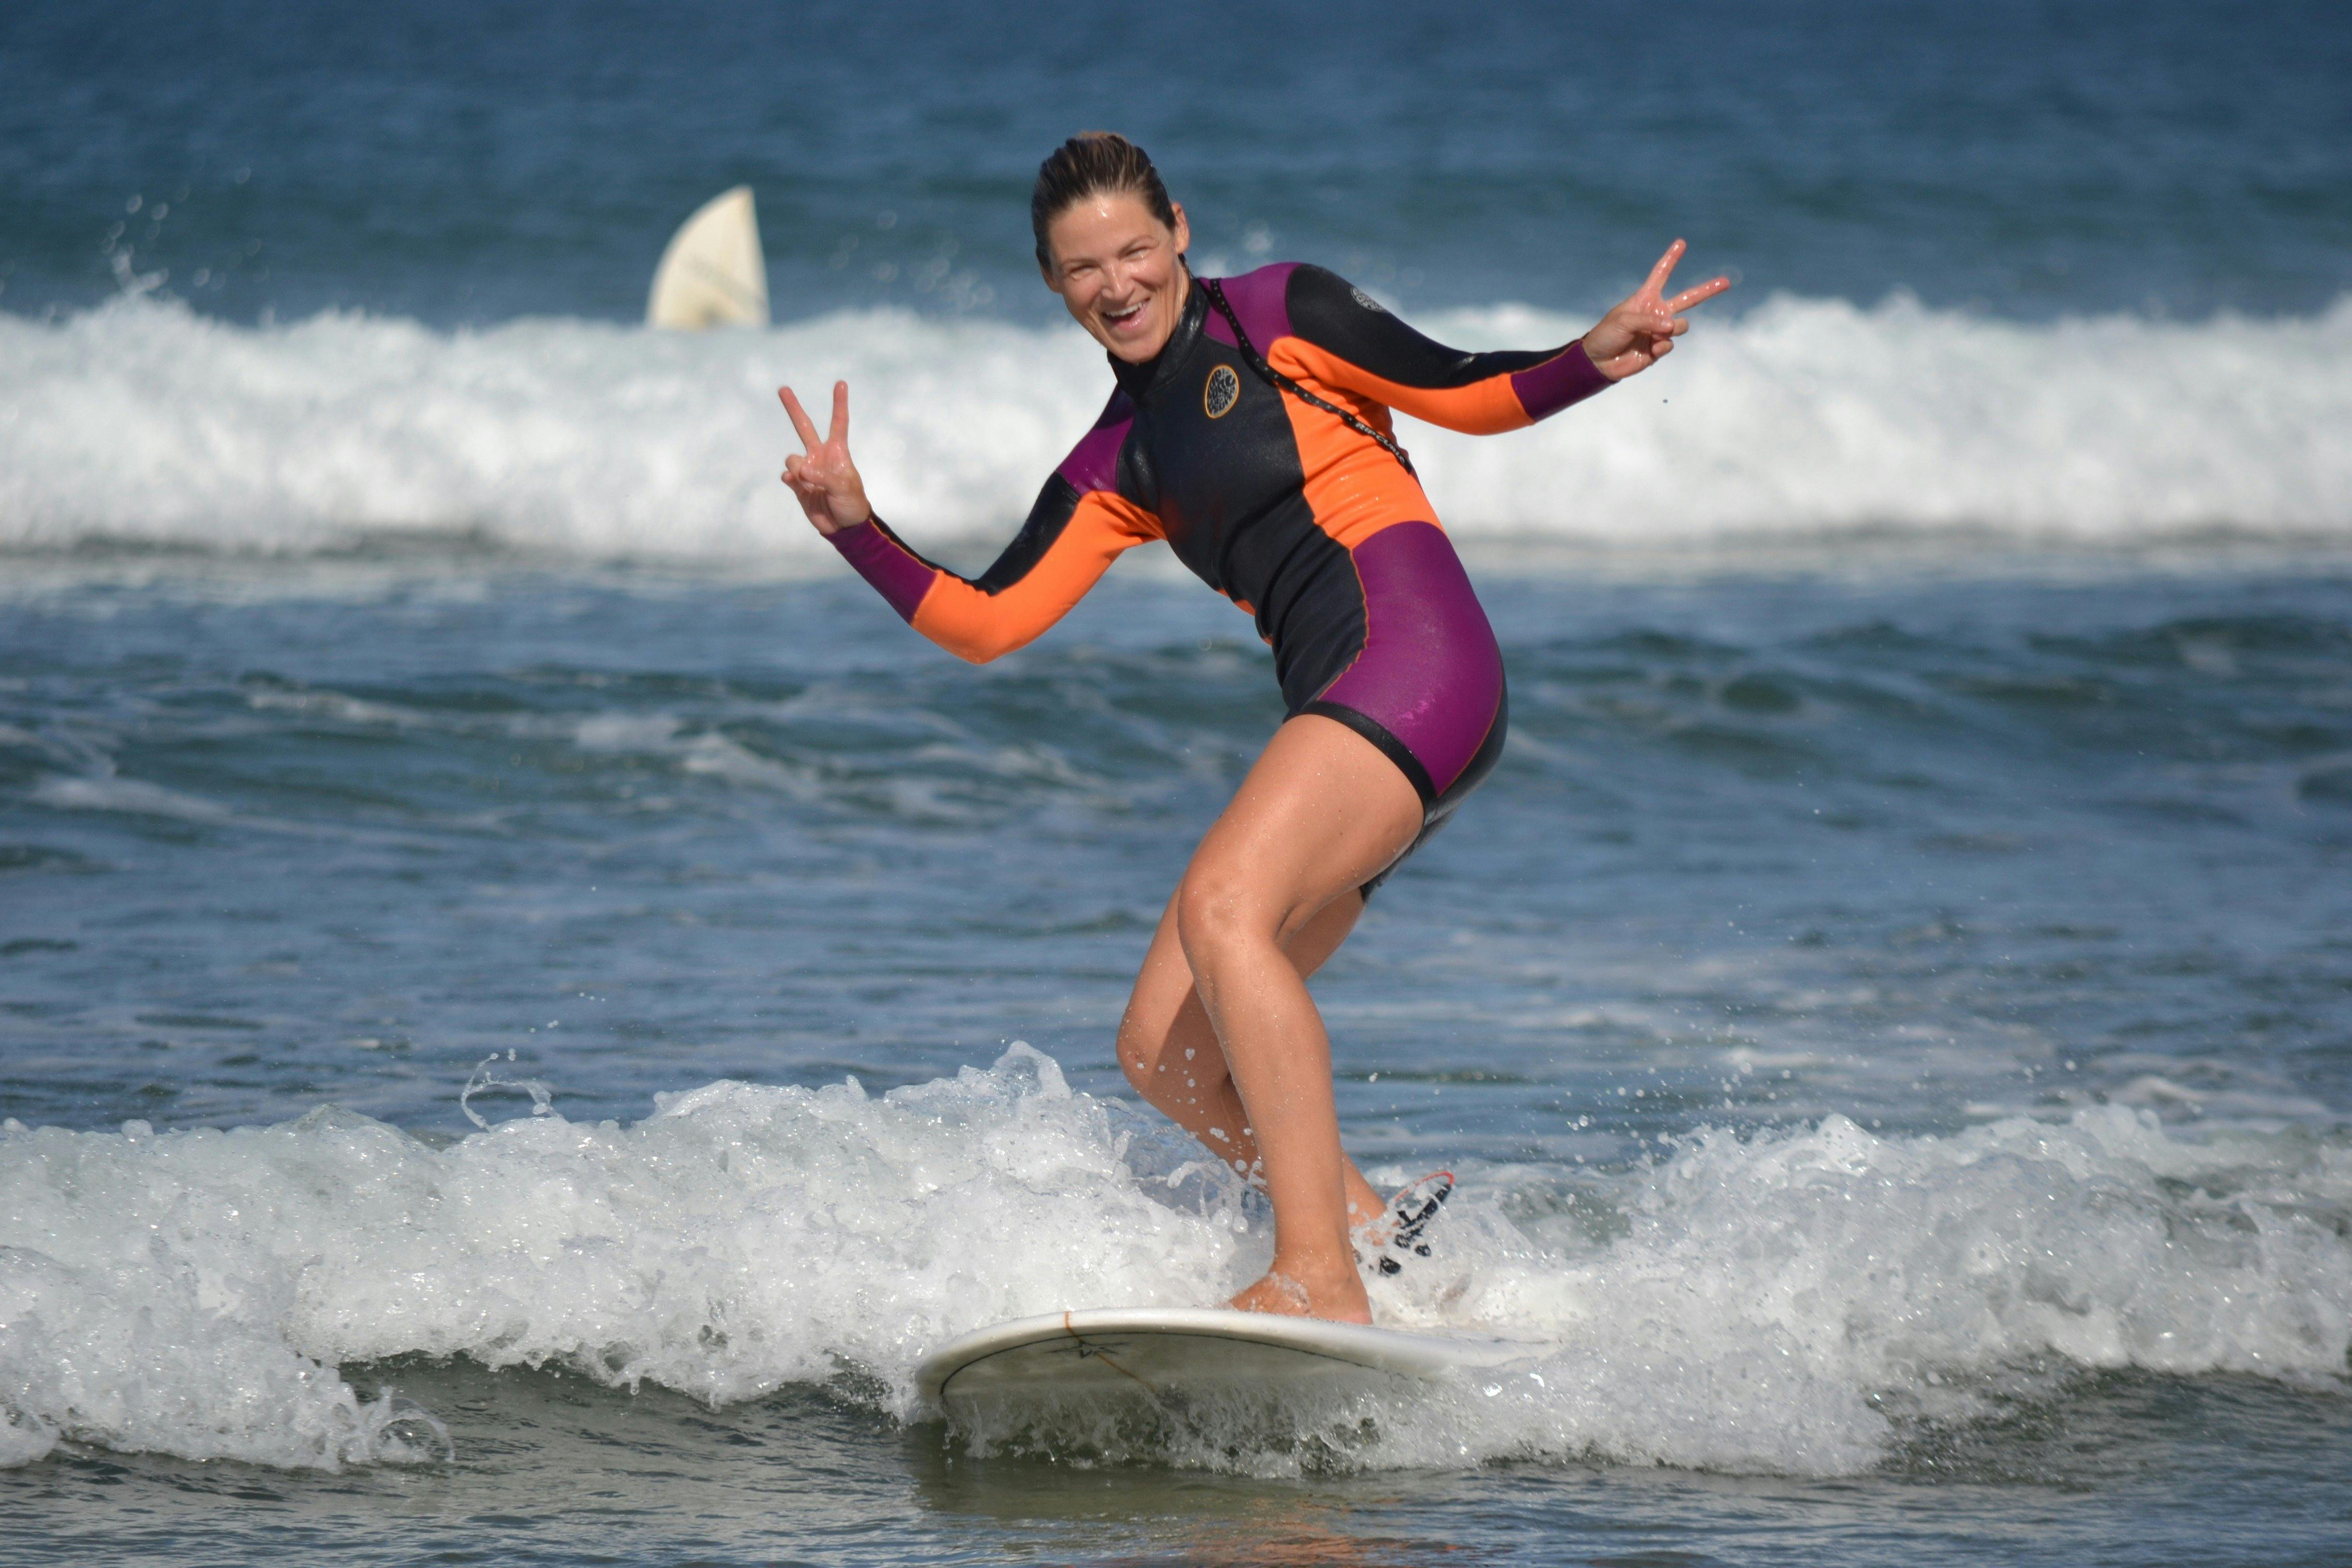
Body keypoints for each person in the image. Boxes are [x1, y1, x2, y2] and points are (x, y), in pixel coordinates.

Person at [779, 132, 1728, 1323]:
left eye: (1135, 250)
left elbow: (1462, 391)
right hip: (1364, 717)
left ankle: (1315, 1279)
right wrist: (855, 529)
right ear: (1053, 283)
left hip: (1417, 662)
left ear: (1178, 231)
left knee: (1225, 910)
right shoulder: (1117, 457)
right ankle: (1391, 1252)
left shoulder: (1278, 313)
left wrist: (1591, 356)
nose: (1117, 283)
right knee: (1163, 1052)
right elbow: (989, 621)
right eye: (1084, 268)